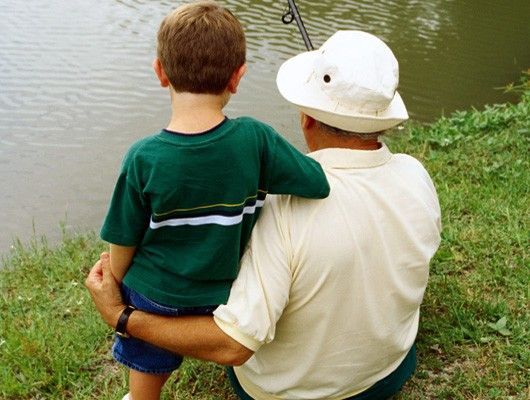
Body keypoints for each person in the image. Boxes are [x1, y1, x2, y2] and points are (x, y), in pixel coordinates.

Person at [87, 30, 442, 400]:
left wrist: (122, 316)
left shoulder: (282, 212)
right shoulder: (415, 174)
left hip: (292, 391)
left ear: (306, 118)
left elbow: (233, 346)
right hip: (389, 370)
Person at [100, 1, 330, 399]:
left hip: (152, 297)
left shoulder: (143, 157)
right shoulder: (255, 139)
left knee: (146, 366)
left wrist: (116, 286)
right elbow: (316, 182)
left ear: (160, 72)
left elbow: (123, 239)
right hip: (223, 296)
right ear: (237, 77)